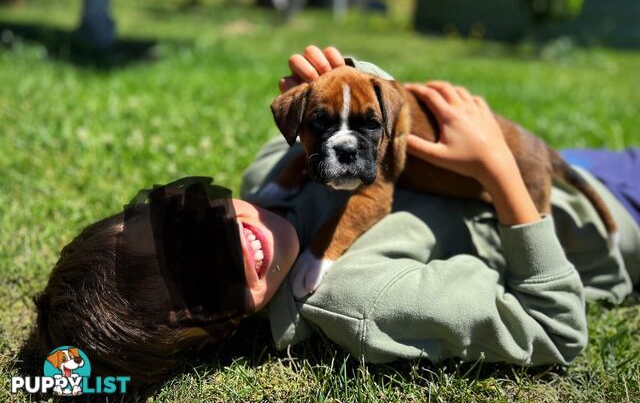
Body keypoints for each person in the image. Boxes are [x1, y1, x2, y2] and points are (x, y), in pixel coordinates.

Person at [34, 46, 640, 384]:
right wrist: (497, 171)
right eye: (209, 276)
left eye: (191, 220)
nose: (235, 237)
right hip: (606, 222)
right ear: (216, 330)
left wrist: (339, 73)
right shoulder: (361, 298)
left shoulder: (265, 188)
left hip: (570, 163)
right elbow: (558, 329)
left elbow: (329, 116)